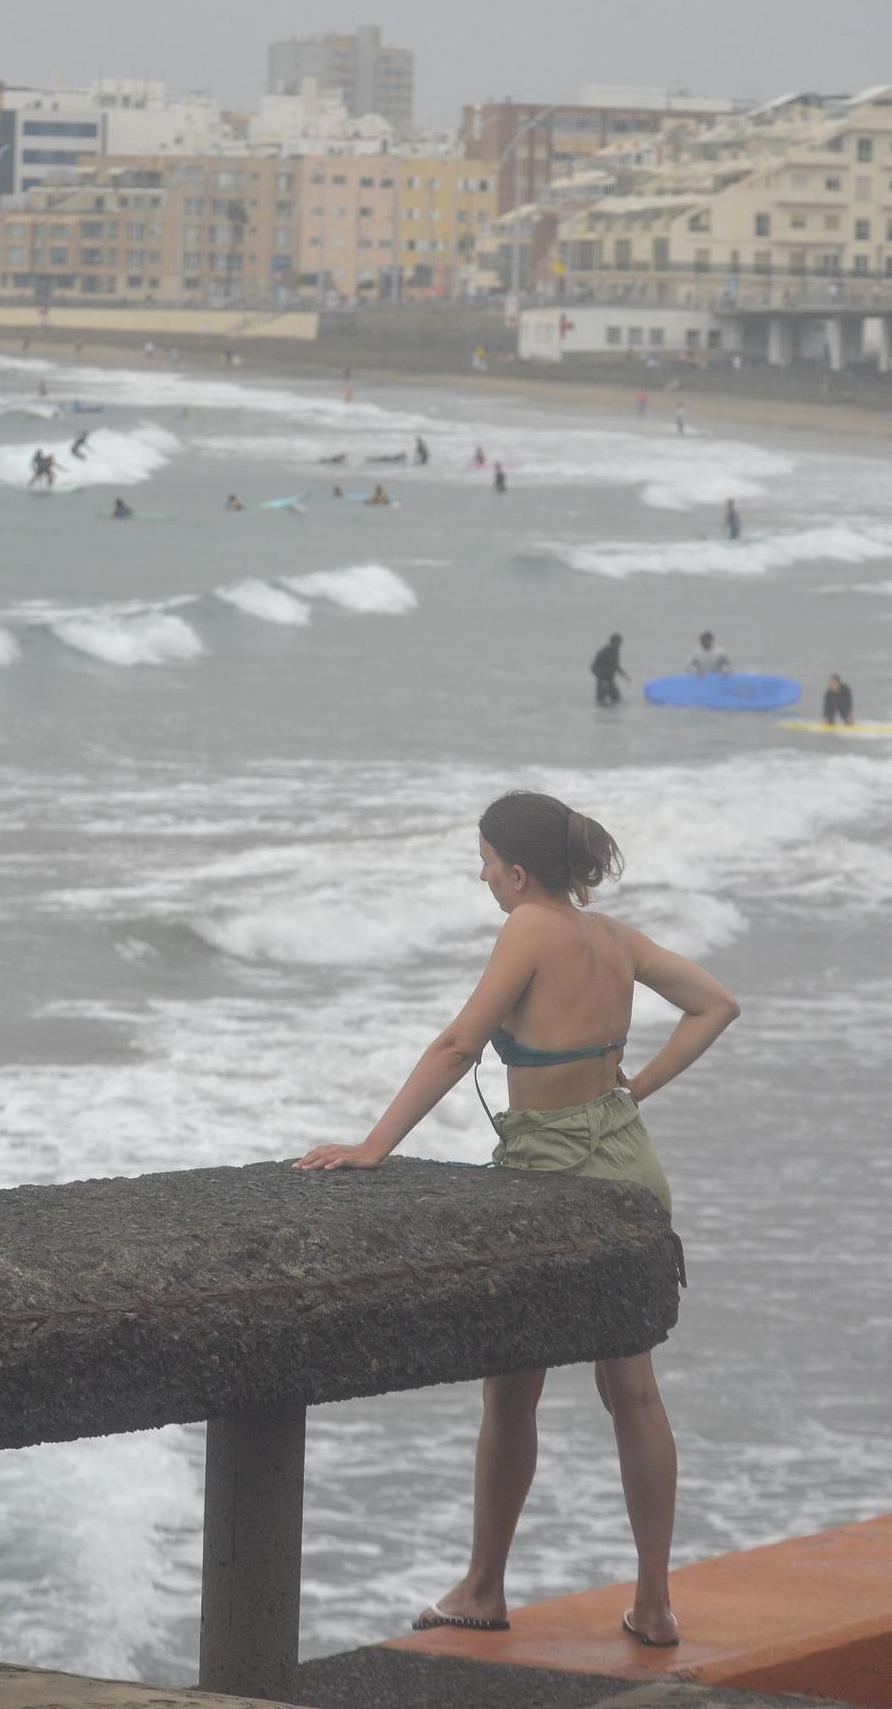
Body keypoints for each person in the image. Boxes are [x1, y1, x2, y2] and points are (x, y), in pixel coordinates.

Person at [296, 790, 739, 1649]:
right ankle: (653, 1606)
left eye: (488, 861)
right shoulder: (612, 938)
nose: (483, 875)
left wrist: (371, 1146)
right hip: (629, 1164)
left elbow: (458, 1044)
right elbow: (715, 1004)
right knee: (633, 1392)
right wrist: (633, 1089)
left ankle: (484, 1587)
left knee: (511, 1394)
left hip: (549, 1173)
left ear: (519, 870)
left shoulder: (528, 928)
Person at [590, 633, 629, 706]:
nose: (619, 645)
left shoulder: (616, 652)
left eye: (620, 643)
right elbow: (594, 667)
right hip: (602, 680)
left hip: (610, 680)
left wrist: (624, 675)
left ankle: (612, 716)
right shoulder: (603, 652)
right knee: (601, 702)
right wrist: (601, 680)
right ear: (612, 642)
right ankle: (600, 716)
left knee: (617, 700)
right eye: (618, 643)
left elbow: (616, 665)